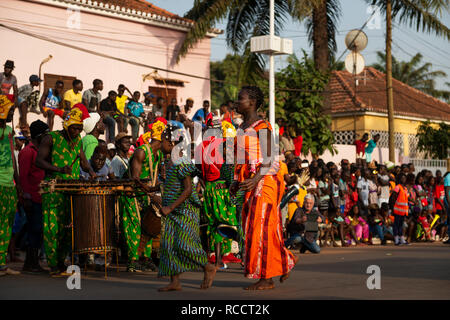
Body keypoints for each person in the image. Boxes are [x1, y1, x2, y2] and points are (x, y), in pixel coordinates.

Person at [231, 86, 296, 290]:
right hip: (249, 181)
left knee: (261, 227)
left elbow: (272, 160)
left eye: (240, 99)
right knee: (253, 227)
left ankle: (267, 278)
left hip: (265, 181)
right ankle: (283, 262)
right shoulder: (241, 127)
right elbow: (240, 158)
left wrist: (257, 178)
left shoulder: (263, 127)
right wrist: (235, 180)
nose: (237, 102)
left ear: (251, 102)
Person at [35, 105, 96, 276]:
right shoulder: (50, 138)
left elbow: (84, 162)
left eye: (80, 128)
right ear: (67, 125)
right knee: (52, 228)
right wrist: (59, 169)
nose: (77, 131)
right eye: (75, 128)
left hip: (72, 190)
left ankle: (62, 264)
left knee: (67, 229)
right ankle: (53, 265)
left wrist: (91, 173)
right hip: (53, 189)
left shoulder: (78, 141)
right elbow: (39, 161)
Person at [157, 124, 217, 291]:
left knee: (184, 244)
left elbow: (188, 189)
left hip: (185, 210)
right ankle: (175, 281)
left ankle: (207, 267)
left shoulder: (181, 160)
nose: (160, 144)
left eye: (161, 141)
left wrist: (170, 208)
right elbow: (170, 185)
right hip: (171, 210)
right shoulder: (167, 161)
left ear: (170, 142)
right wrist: (151, 189)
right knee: (168, 245)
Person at [120, 118, 166, 272]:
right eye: (169, 142)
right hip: (132, 194)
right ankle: (132, 261)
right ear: (162, 139)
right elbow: (134, 179)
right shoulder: (141, 152)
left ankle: (145, 258)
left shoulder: (158, 154)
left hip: (146, 194)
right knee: (134, 226)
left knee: (148, 225)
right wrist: (152, 194)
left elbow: (156, 175)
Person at [200, 126, 240, 268]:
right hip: (223, 193)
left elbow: (200, 172)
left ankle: (220, 256)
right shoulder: (227, 158)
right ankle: (221, 257)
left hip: (211, 190)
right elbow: (230, 180)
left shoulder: (204, 148)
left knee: (215, 224)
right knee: (228, 224)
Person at [19, 120, 48, 273]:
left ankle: (33, 262)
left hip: (41, 197)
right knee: (34, 230)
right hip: (32, 198)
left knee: (38, 230)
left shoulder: (41, 151)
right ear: (39, 135)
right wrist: (26, 197)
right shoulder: (28, 151)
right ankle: (30, 264)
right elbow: (23, 176)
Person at [0, 100, 21, 276]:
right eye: (9, 111)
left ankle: (2, 264)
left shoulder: (9, 131)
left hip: (9, 184)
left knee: (7, 224)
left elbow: (13, 158)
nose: (12, 114)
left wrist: (18, 182)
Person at [389, 173, 409, 245]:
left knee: (401, 225)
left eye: (404, 178)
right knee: (396, 225)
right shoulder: (398, 187)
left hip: (403, 211)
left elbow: (406, 198)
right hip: (397, 209)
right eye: (402, 178)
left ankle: (402, 239)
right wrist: (392, 208)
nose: (404, 179)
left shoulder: (405, 188)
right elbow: (393, 197)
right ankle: (396, 239)